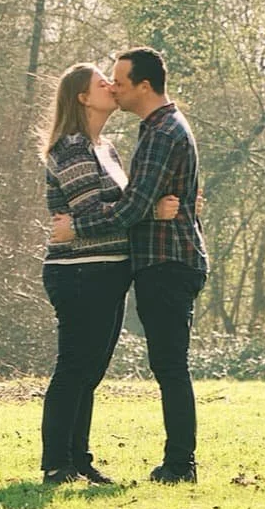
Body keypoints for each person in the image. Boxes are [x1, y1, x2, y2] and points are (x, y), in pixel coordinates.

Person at [49, 46, 207, 484]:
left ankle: (180, 464)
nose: (114, 88)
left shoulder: (160, 133)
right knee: (92, 367)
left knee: (169, 366)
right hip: (124, 265)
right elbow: (140, 202)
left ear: (144, 85)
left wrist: (77, 227)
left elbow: (132, 205)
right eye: (107, 82)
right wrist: (158, 207)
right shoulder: (151, 131)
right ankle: (67, 461)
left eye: (119, 81)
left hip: (167, 260)